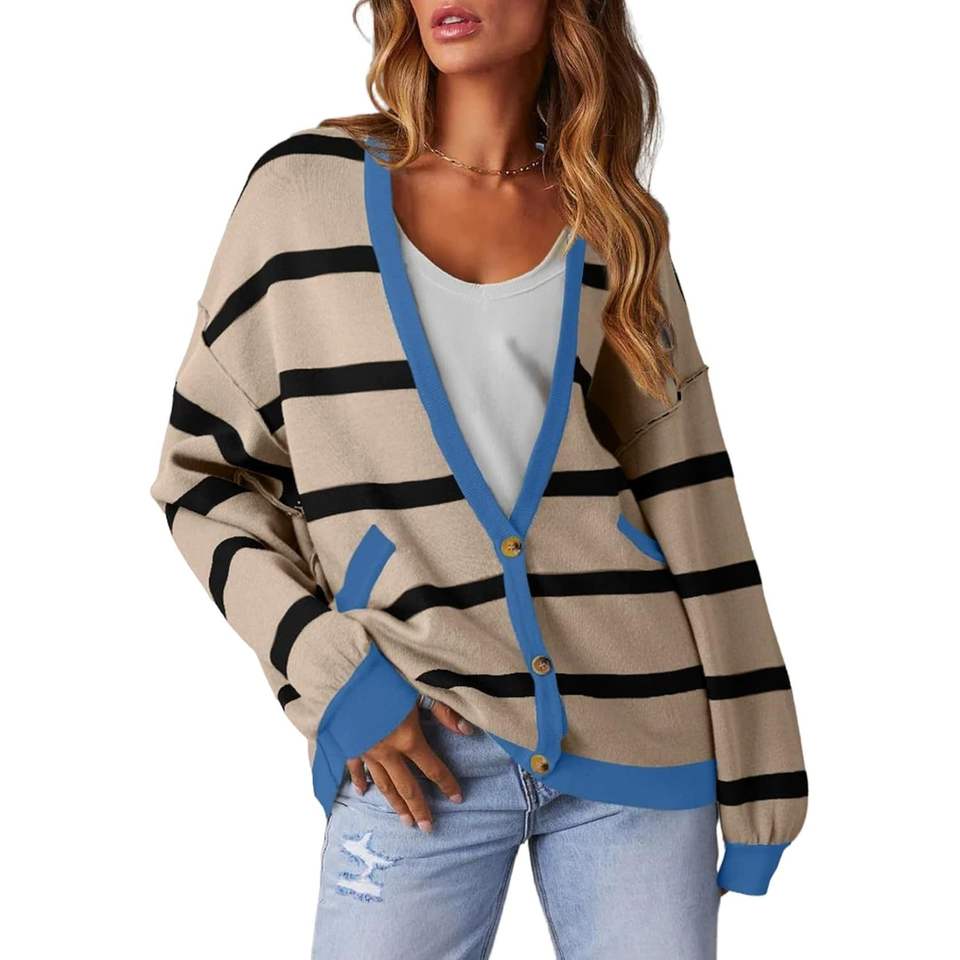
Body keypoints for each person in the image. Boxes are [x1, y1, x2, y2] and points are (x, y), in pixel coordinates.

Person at [149, 2, 808, 956]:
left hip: (641, 735)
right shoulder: (302, 196)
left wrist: (763, 776)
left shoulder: (615, 226)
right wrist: (337, 679)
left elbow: (692, 493)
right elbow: (202, 476)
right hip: (418, 743)